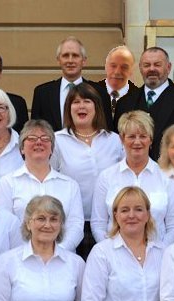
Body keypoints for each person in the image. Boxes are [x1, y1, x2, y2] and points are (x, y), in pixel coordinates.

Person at [51, 82, 124, 257]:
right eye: (75, 102)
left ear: (96, 107)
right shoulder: (57, 140)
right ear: (68, 109)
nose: (81, 106)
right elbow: (51, 180)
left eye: (87, 101)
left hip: (110, 224)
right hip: (70, 225)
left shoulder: (114, 140)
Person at [91, 110, 174, 245]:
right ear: (122, 139)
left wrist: (160, 254)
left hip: (157, 258)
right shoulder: (106, 177)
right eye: (131, 136)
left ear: (150, 139)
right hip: (114, 257)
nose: (137, 142)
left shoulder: (168, 177)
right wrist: (110, 253)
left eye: (143, 136)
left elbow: (173, 227)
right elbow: (98, 223)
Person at [0, 119, 84, 251]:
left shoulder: (70, 185)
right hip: (20, 259)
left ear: (52, 149)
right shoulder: (6, 184)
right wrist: (29, 253)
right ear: (22, 149)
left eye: (45, 138)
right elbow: (4, 226)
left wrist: (57, 252)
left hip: (63, 259)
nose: (39, 142)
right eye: (31, 138)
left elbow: (76, 226)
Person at [113, 46, 174, 160]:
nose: (152, 69)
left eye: (157, 64)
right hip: (135, 174)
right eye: (147, 65)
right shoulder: (125, 103)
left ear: (168, 67)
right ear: (140, 68)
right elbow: (117, 145)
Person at [30, 36, 93, 131]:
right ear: (58, 60)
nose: (70, 61)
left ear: (83, 61)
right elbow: (35, 130)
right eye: (65, 56)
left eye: (75, 56)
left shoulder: (98, 92)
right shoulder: (42, 93)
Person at [92, 45, 139, 130]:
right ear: (106, 66)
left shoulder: (139, 97)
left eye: (124, 67)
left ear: (132, 70)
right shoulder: (92, 93)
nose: (117, 72)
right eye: (113, 66)